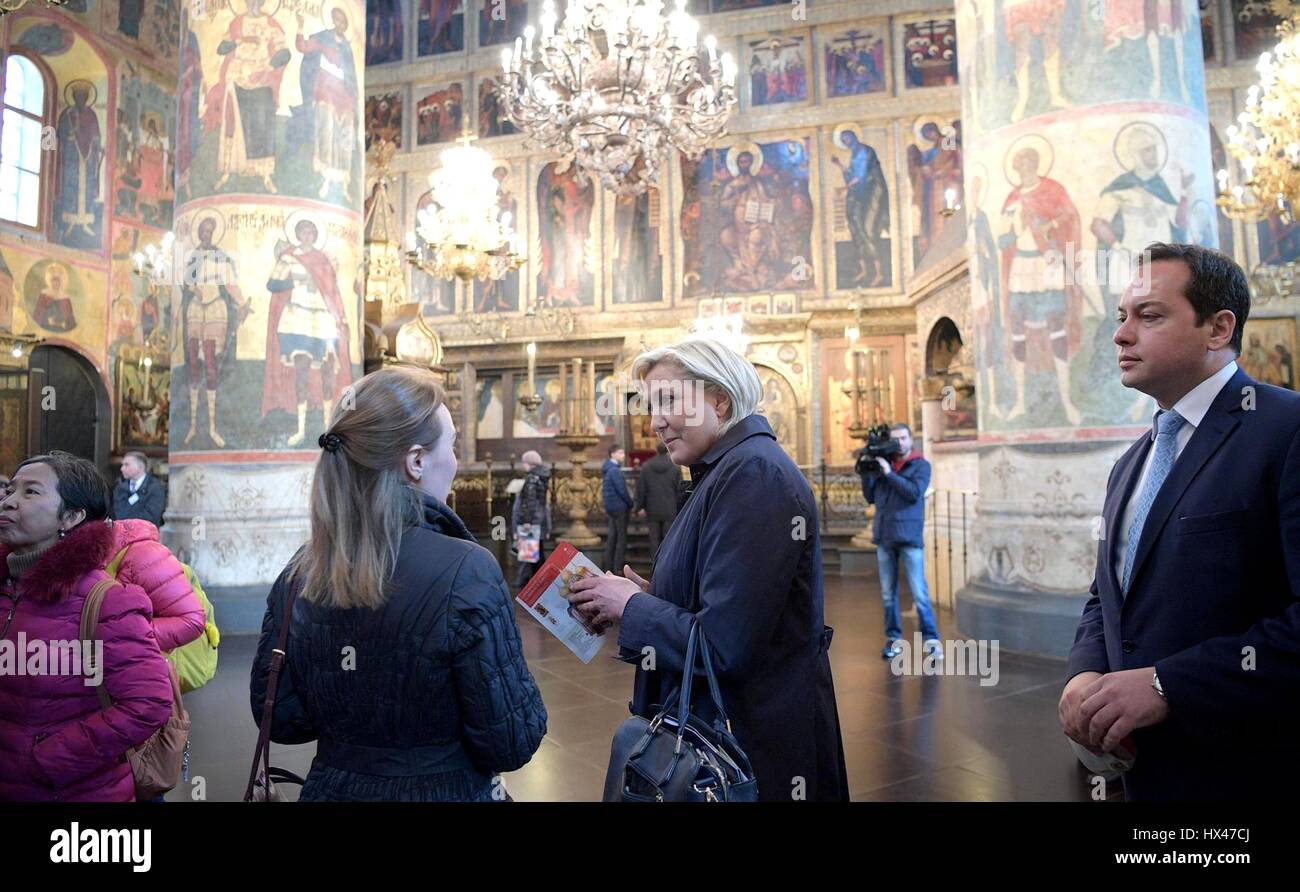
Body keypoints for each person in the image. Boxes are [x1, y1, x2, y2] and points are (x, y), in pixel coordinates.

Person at [1059, 243, 1300, 802]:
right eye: (1122, 317)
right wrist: (1083, 676)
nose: (1121, 335)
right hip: (1143, 774)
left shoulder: (1285, 432)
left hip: (1249, 773)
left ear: (1218, 329)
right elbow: (1108, 596)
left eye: (1148, 316)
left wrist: (1168, 685)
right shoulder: (1132, 463)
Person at [567, 338, 849, 802]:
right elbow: (724, 597)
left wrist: (633, 606)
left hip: (753, 749)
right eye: (651, 406)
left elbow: (723, 645)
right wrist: (647, 596)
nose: (655, 421)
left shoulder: (755, 474)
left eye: (670, 400)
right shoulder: (726, 469)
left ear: (719, 399)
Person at [250, 365, 546, 801]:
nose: (457, 460)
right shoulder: (468, 570)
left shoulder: (301, 571)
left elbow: (282, 717)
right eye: (453, 445)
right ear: (417, 461)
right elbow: (512, 739)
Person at [0, 452, 173, 801]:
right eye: (10, 490)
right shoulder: (7, 587)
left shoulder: (106, 600)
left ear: (72, 515)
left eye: (30, 492)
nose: (9, 502)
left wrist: (48, 759)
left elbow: (148, 702)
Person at [860, 423, 941, 660]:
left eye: (903, 438)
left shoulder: (920, 465)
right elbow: (870, 497)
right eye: (895, 439)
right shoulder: (884, 463)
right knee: (888, 594)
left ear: (910, 440)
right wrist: (869, 471)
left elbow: (913, 492)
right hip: (885, 535)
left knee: (919, 593)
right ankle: (894, 640)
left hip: (908, 537)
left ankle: (932, 641)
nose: (899, 443)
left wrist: (888, 474)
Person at [633, 441, 679, 563]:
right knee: (669, 538)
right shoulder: (674, 467)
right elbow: (679, 489)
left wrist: (638, 507)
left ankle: (655, 565)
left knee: (654, 540)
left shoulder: (647, 466)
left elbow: (642, 489)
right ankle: (668, 564)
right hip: (670, 508)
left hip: (652, 508)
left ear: (656, 450)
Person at [511, 450, 551, 590]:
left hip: (532, 519)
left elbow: (529, 501)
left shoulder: (531, 478)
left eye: (524, 462)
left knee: (529, 551)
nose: (523, 466)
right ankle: (542, 579)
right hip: (540, 518)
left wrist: (527, 520)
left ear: (530, 463)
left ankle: (529, 580)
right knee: (538, 550)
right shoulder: (542, 476)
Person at [111, 451, 166, 528]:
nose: (122, 468)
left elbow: (151, 517)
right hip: (123, 536)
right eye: (122, 465)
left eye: (126, 465)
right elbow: (117, 515)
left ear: (140, 467)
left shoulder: (155, 488)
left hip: (145, 536)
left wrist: (127, 520)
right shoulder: (119, 488)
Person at [601, 445, 633, 573]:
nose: (623, 455)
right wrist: (630, 503)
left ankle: (608, 566)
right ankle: (618, 567)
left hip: (612, 507)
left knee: (612, 537)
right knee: (620, 538)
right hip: (619, 507)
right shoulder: (614, 470)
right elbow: (622, 490)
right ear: (612, 454)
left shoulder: (608, 468)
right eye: (620, 453)